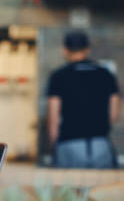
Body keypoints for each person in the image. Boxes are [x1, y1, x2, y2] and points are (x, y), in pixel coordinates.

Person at [46, 30, 120, 168]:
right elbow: (113, 115)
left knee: (69, 189)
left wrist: (54, 149)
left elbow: (53, 119)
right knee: (101, 188)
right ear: (87, 50)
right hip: (101, 145)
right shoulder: (106, 75)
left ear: (65, 50)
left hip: (68, 145)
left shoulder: (58, 76)